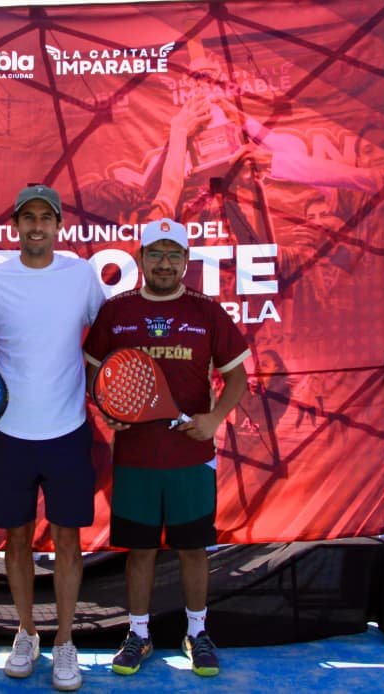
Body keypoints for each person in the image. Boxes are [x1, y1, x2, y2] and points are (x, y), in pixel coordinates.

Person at [83, 218, 250, 679]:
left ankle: (197, 632)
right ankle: (138, 633)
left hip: (191, 460)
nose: (164, 263)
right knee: (139, 552)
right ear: (140, 258)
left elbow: (237, 376)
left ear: (186, 261)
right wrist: (106, 407)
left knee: (193, 549)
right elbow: (94, 372)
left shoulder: (206, 311)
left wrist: (214, 419)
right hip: (135, 459)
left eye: (173, 255)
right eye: (155, 253)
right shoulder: (117, 311)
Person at [0, 184, 106, 691]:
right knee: (17, 540)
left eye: (47, 218)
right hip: (8, 436)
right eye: (29, 218)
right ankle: (26, 632)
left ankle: (65, 641)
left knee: (69, 541)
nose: (38, 226)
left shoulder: (81, 276)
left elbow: (108, 337)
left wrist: (111, 394)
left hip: (68, 433)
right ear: (17, 227)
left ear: (59, 225)